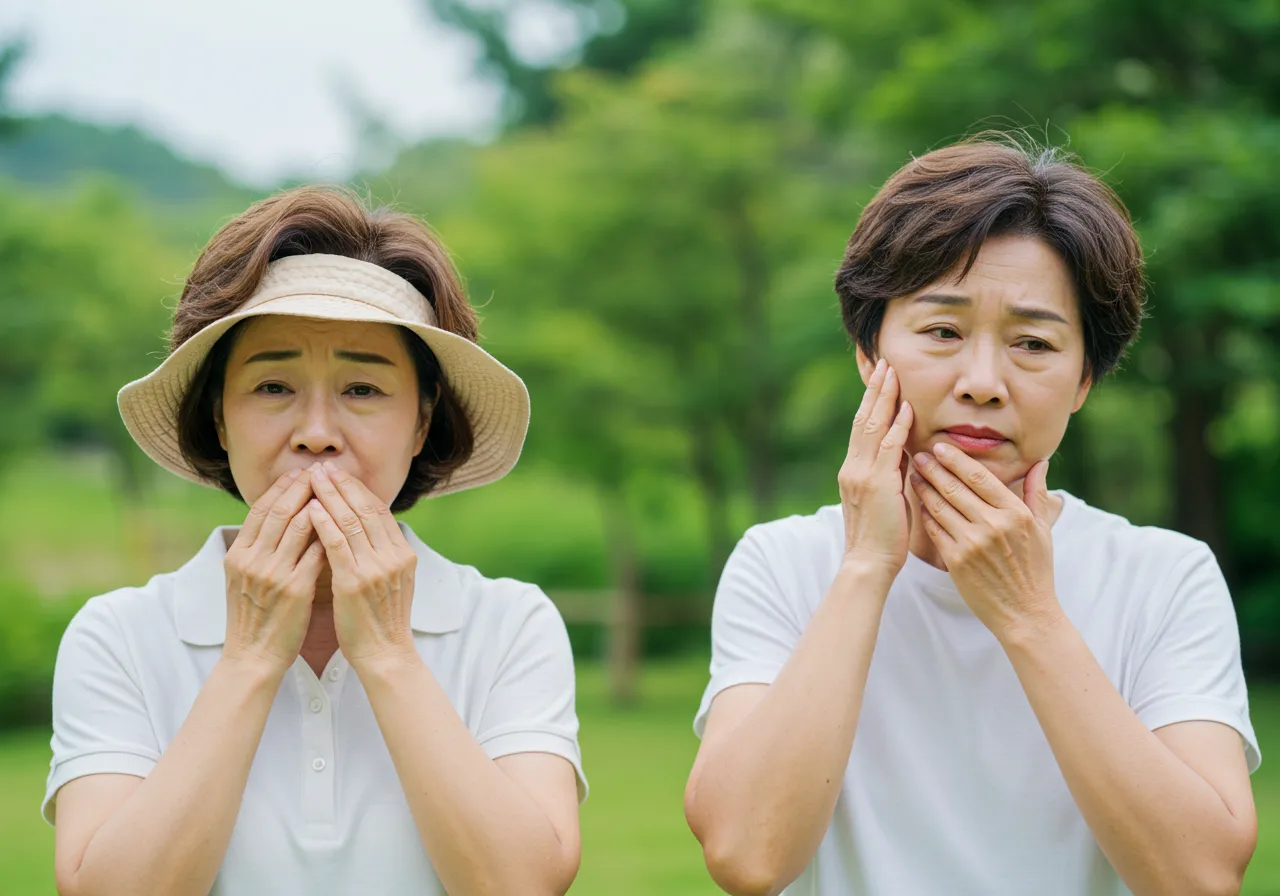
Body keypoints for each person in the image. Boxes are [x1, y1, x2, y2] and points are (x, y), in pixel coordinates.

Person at [684, 138, 1260, 896]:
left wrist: (1028, 614)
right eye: (943, 332)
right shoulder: (784, 562)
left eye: (1033, 343)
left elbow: (1201, 876)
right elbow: (747, 857)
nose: (983, 383)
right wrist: (865, 567)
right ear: (869, 351)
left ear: (1084, 377)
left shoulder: (1163, 575)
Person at [44, 186, 585, 896]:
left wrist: (389, 653)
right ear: (218, 418)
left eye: (363, 389)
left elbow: (524, 885)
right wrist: (250, 657)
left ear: (421, 425)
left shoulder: (510, 625)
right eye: (273, 387)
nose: (317, 431)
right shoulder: (119, 634)